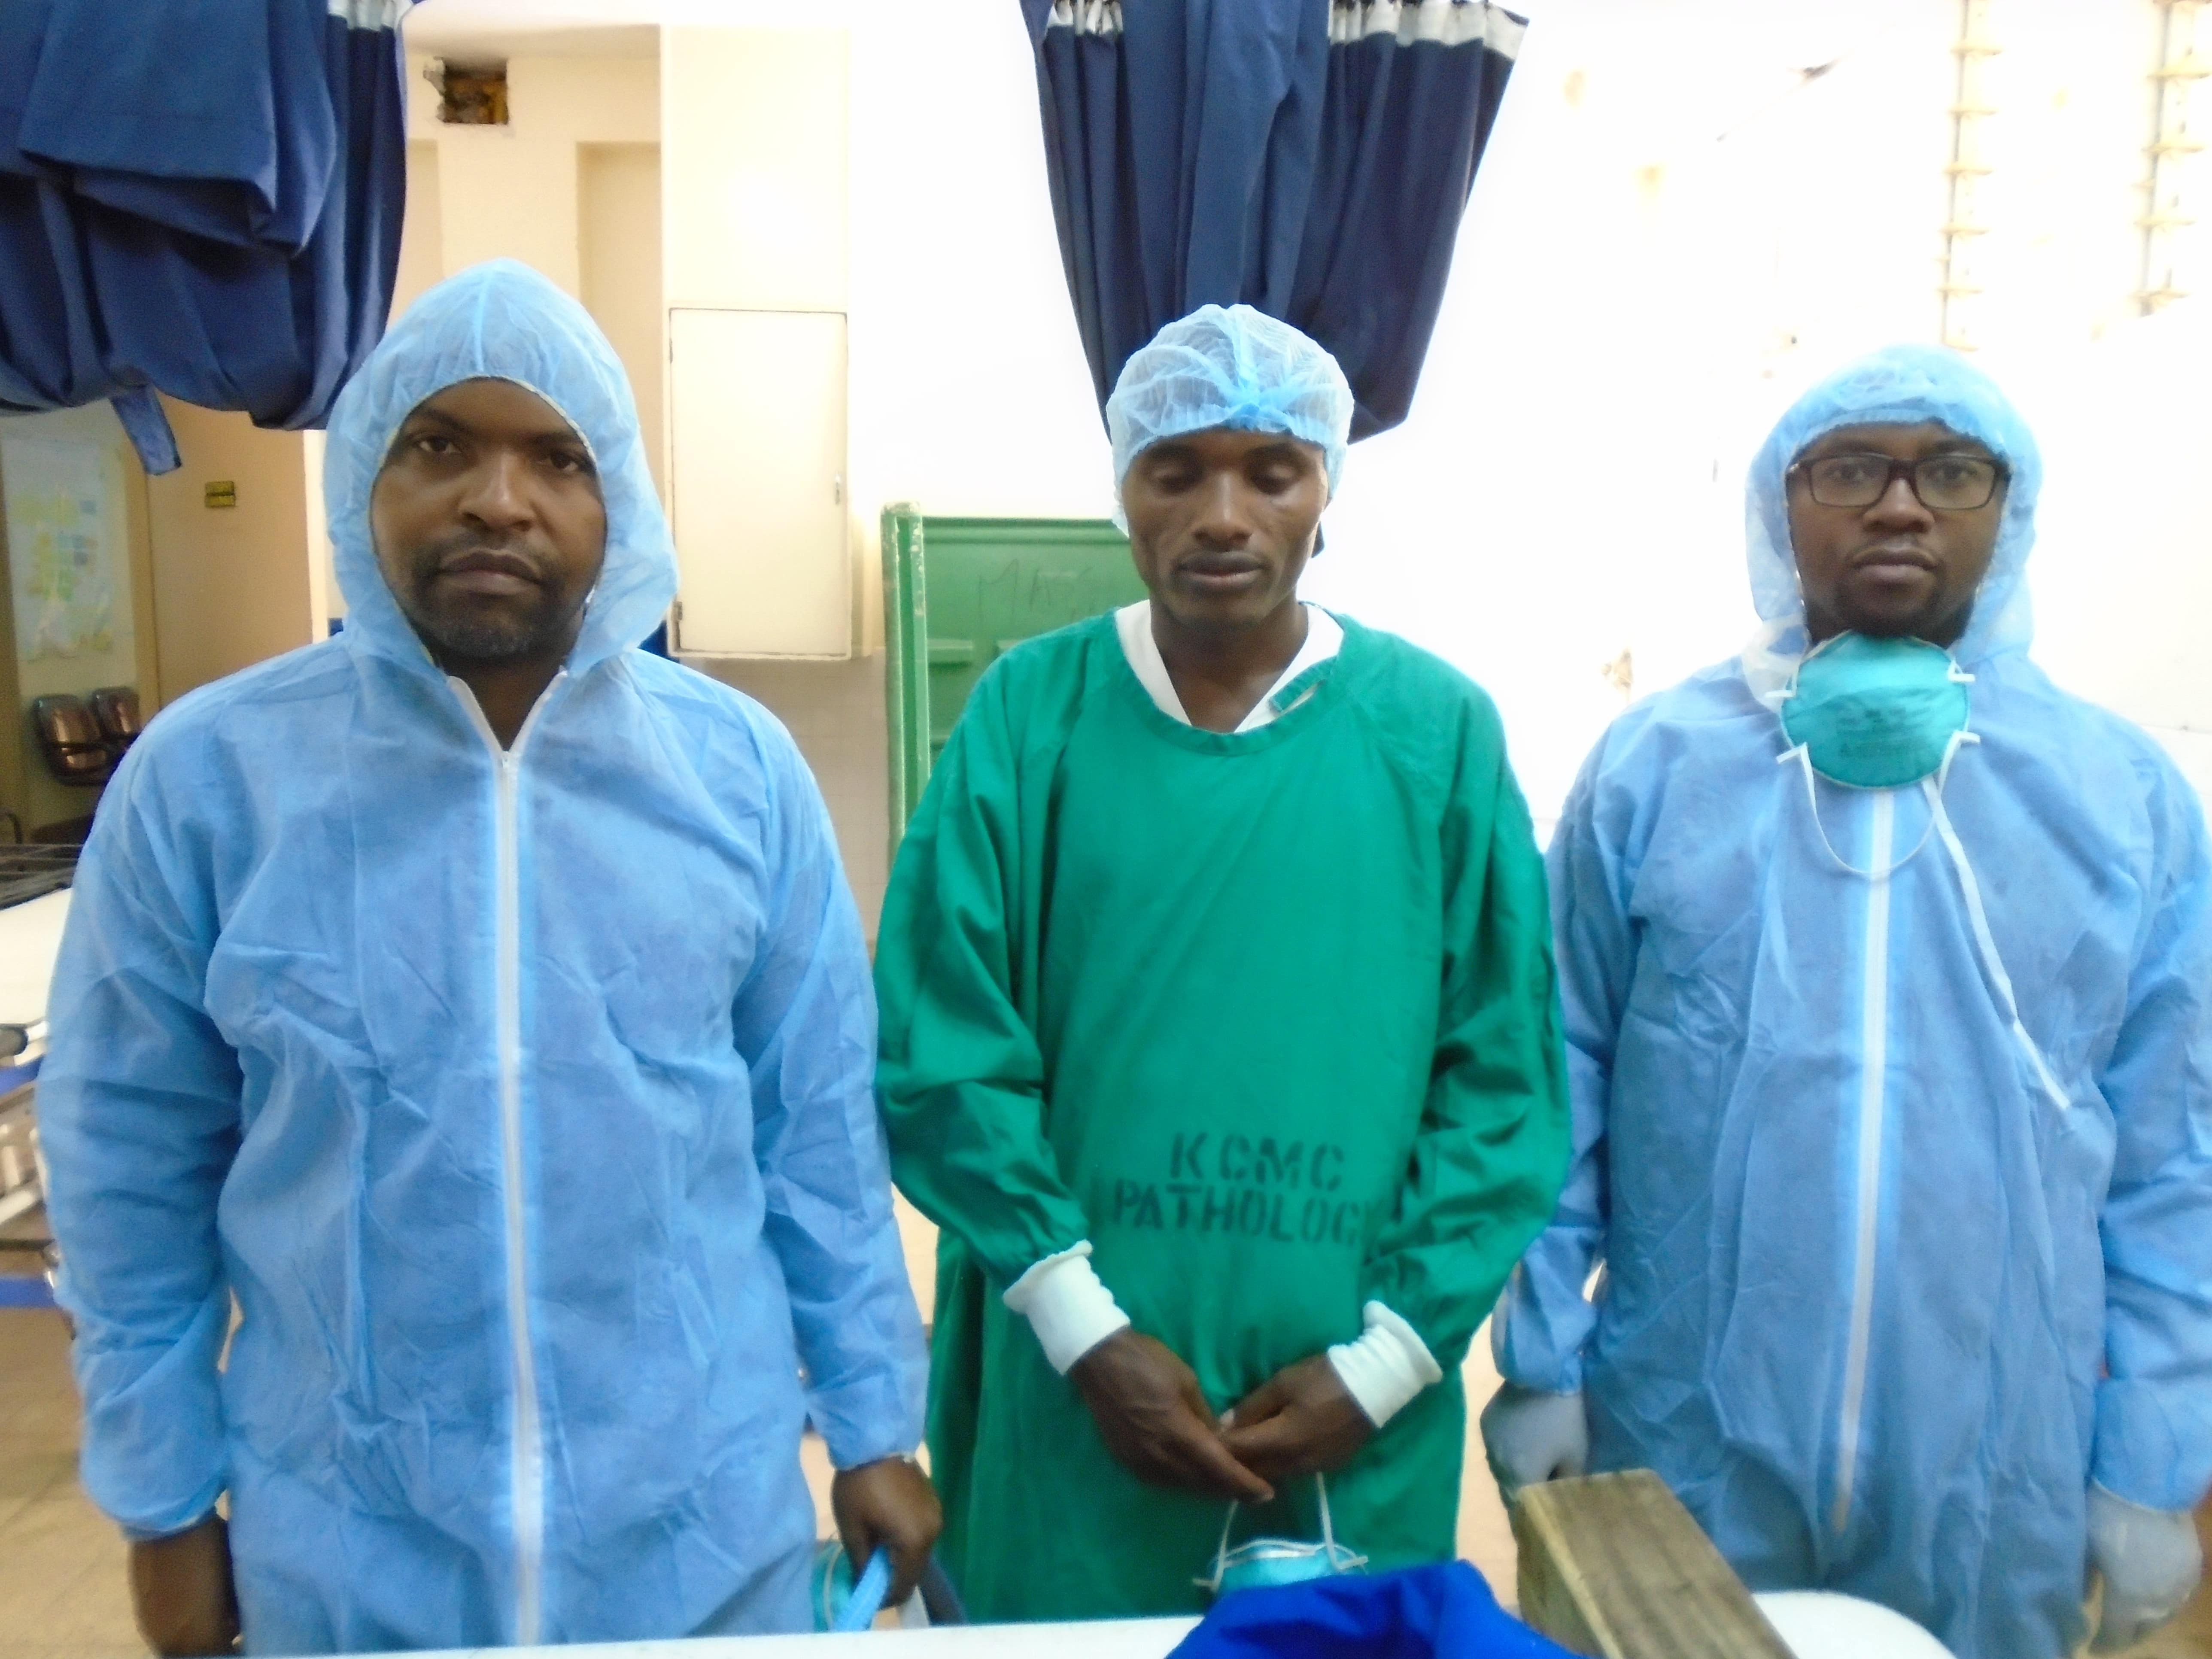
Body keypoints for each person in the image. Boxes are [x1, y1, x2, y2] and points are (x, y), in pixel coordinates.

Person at [37, 261, 939, 1656]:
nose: (498, 498)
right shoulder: (215, 785)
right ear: (362, 483)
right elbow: (128, 1173)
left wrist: (874, 1419)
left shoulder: (735, 778)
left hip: (696, 1541)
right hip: (348, 1551)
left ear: (617, 502)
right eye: (440, 445)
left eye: (556, 457)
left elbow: (817, 1134)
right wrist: (164, 1508)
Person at [1483, 344, 2212, 1659]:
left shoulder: (2121, 801)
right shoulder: (1657, 768)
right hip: (1685, 1428)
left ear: (2012, 511)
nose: (1898, 505)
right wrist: (1543, 1357)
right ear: (1782, 506)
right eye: (1851, 470)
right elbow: (1558, 1077)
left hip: (1996, 1457)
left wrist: (2151, 1455)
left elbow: (2171, 1157)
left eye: (1950, 472)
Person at [874, 304, 1570, 1620]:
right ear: (1124, 490)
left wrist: (1383, 1368)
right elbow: (941, 1046)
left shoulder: (1434, 736)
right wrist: (1086, 1334)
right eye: (1176, 471)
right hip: (1069, 1402)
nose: (1224, 515)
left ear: (1329, 492)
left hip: (1351, 1425)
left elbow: (1504, 1084)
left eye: (1272, 471)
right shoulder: (1032, 718)